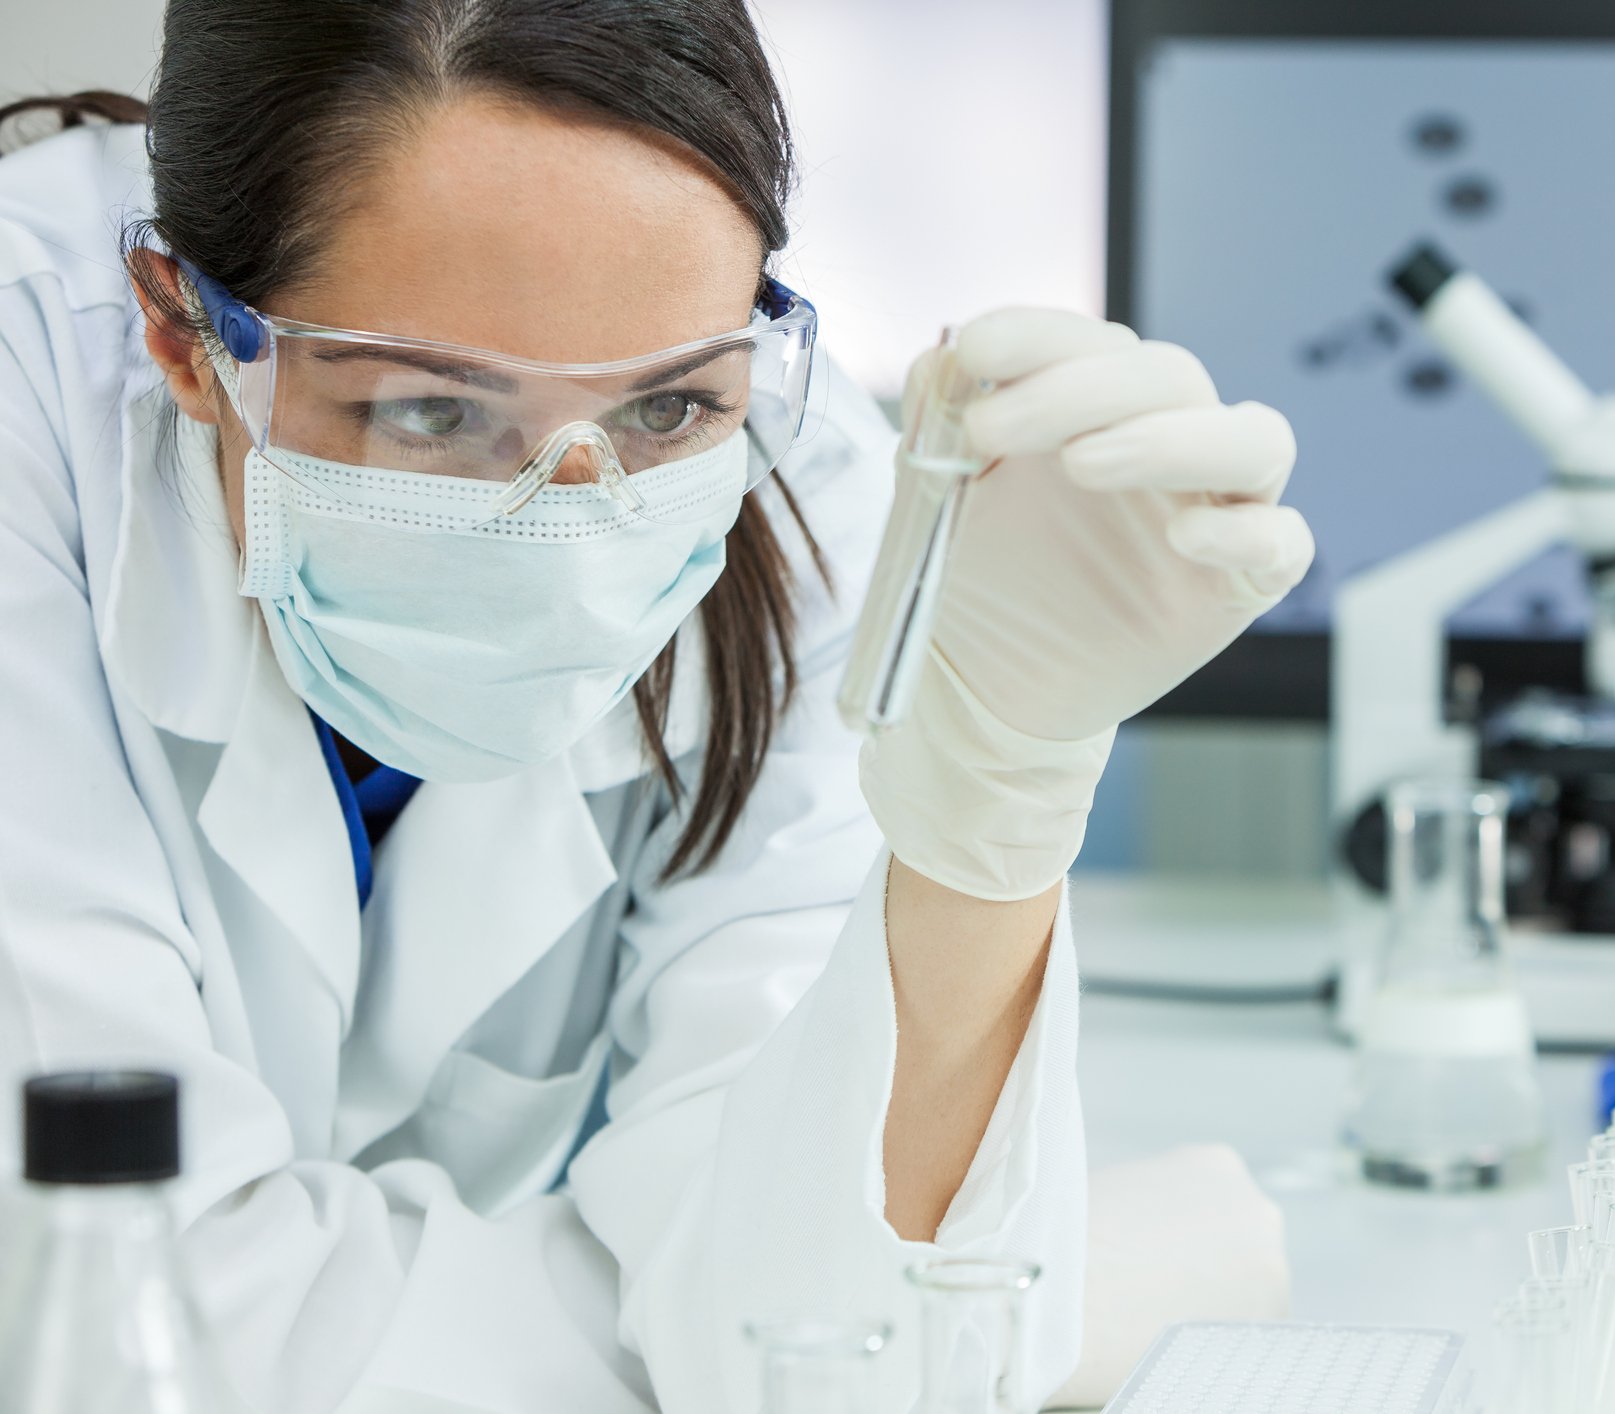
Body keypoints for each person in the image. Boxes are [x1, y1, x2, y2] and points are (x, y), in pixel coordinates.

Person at [0, 2, 1312, 1411]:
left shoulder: (799, 483)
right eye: (433, 412)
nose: (573, 526)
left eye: (669, 407)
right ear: (187, 334)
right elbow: (109, 1314)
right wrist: (812, 1306)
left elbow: (808, 1358)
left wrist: (1001, 794)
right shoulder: (30, 417)